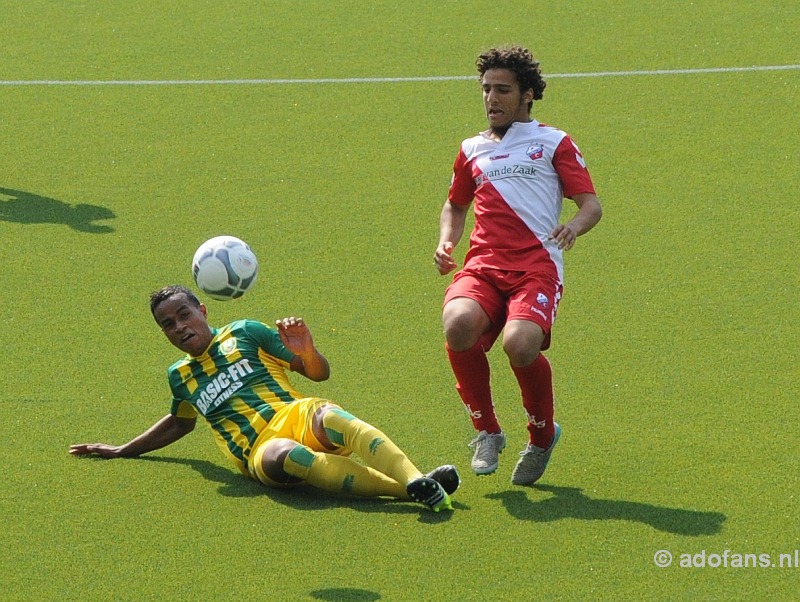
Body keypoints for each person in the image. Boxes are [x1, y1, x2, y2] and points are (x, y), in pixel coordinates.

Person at [70, 285, 459, 512]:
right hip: (259, 449)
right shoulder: (180, 376)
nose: (179, 327)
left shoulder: (246, 333)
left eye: (184, 314)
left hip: (294, 412)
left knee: (336, 416)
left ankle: (414, 478)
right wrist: (124, 449)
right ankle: (412, 489)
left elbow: (317, 373)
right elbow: (180, 421)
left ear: (203, 310)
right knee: (290, 456)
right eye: (168, 325)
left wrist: (306, 350)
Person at [434, 45, 602, 485]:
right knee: (456, 323)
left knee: (520, 344)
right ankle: (487, 431)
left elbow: (591, 205)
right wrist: (446, 241)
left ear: (527, 95)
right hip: (484, 265)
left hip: (536, 266)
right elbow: (455, 205)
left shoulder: (553, 142)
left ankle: (542, 436)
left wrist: (573, 227)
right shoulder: (471, 148)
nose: (492, 98)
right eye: (486, 89)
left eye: (503, 90)